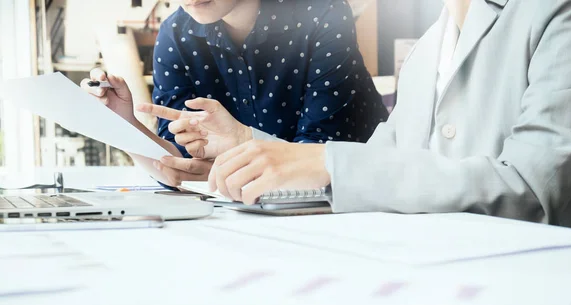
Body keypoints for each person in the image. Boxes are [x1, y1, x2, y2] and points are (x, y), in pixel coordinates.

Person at [206, 0, 571, 231]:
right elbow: (370, 168)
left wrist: (328, 164)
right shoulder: (426, 49)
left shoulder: (565, 11)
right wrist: (248, 147)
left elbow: (529, 192)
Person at [82, 0, 388, 187]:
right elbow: (182, 165)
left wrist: (222, 168)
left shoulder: (322, 12)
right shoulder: (176, 33)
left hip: (355, 199)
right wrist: (123, 125)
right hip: (254, 207)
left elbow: (316, 157)